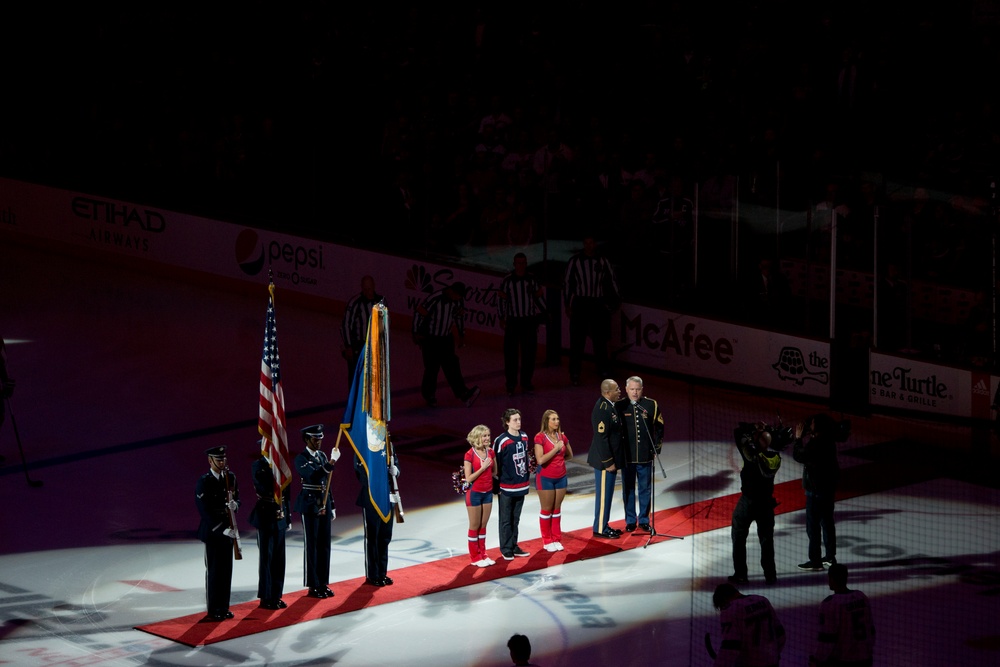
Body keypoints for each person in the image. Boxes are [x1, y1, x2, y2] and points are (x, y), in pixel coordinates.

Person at [563, 235, 621, 386]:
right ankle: (575, 372)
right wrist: (568, 304)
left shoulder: (602, 261)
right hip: (581, 303)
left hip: (597, 303)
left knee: (600, 340)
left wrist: (616, 300)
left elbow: (612, 280)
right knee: (577, 340)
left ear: (594, 244)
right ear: (583, 244)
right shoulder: (575, 261)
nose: (588, 246)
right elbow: (568, 283)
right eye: (586, 243)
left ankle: (603, 370)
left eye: (591, 243)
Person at [412, 282, 481, 408]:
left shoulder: (458, 301)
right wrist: (416, 332)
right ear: (452, 292)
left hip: (446, 338)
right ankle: (429, 395)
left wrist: (461, 334)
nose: (458, 299)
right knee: (432, 367)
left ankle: (462, 393)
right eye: (457, 296)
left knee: (452, 365)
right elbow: (419, 312)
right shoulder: (435, 298)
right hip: (431, 338)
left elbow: (459, 317)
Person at [729, 422, 782, 585]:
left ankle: (741, 574)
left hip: (749, 502)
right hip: (766, 503)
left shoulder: (751, 456)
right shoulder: (775, 458)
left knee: (738, 536)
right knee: (766, 540)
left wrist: (753, 428)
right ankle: (770, 575)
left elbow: (738, 433)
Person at [294, 424, 340, 598]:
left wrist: (332, 504)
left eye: (320, 438)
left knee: (324, 545)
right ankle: (313, 585)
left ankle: (323, 582)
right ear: (307, 439)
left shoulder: (321, 456)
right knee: (312, 545)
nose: (319, 442)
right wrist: (331, 462)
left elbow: (327, 483)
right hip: (310, 503)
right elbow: (313, 476)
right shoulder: (301, 458)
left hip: (324, 502)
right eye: (315, 439)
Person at [195, 445, 240, 621]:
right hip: (214, 533)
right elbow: (204, 511)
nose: (222, 462)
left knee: (226, 572)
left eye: (224, 459)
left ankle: (224, 607)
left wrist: (235, 505)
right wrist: (222, 529)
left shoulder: (230, 477)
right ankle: (214, 610)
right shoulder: (204, 482)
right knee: (215, 573)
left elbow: (237, 499)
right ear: (210, 460)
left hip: (228, 533)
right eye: (218, 459)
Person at [793, 414, 842, 571]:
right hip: (827, 490)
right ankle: (829, 557)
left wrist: (798, 438)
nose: (810, 425)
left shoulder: (815, 444)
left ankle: (815, 561)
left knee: (812, 527)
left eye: (813, 423)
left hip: (816, 491)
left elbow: (799, 455)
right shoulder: (828, 440)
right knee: (827, 523)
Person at [616, 376, 663, 532]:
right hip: (627, 457)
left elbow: (660, 426)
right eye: (632, 389)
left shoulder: (651, 405)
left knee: (645, 489)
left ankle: (643, 520)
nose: (635, 392)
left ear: (642, 390)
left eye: (637, 389)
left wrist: (656, 447)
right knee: (628, 489)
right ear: (626, 389)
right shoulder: (620, 405)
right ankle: (630, 520)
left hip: (645, 455)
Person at [497, 252, 547, 396]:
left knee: (529, 354)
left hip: (529, 321)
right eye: (518, 263)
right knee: (511, 355)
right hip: (513, 321)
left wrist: (546, 312)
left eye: (523, 263)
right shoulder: (507, 281)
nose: (521, 266)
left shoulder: (532, 279)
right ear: (514, 264)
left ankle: (526, 382)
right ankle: (511, 384)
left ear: (526, 264)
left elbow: (539, 297)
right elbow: (501, 300)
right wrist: (502, 317)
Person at [354, 432, 400, 586]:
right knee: (373, 537)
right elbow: (359, 472)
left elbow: (396, 463)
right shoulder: (363, 447)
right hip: (372, 496)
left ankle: (382, 572)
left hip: (387, 496)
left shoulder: (388, 444)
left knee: (385, 536)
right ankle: (372, 574)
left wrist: (395, 471)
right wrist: (377, 481)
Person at [249, 445, 291, 610]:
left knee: (279, 559)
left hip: (280, 516)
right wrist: (275, 472)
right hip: (266, 516)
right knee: (267, 558)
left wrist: (287, 517)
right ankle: (266, 597)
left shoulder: (280, 466)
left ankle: (276, 594)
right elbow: (264, 487)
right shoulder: (258, 466)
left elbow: (287, 492)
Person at [810, 563, 876, 667]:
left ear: (831, 579)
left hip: (843, 660)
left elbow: (827, 639)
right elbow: (871, 630)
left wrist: (817, 660)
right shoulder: (861, 596)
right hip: (866, 659)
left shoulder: (829, 604)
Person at [711, 582, 786, 667]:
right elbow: (780, 634)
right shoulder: (762, 600)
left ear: (724, 600)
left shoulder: (730, 610)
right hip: (772, 661)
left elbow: (731, 646)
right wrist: (774, 653)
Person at [493, 408, 533, 560]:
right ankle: (506, 548)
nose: (518, 422)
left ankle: (514, 545)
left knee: (515, 519)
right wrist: (497, 486)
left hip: (521, 485)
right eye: (515, 420)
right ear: (507, 422)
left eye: (519, 419)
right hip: (506, 487)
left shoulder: (524, 437)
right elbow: (496, 464)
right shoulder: (501, 440)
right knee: (505, 519)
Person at [533, 409, 574, 552]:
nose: (556, 422)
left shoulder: (562, 437)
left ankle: (556, 538)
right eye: (553, 419)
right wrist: (556, 449)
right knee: (547, 509)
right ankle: (547, 540)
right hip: (545, 479)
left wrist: (559, 460)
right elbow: (540, 459)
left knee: (556, 510)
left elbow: (570, 455)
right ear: (546, 421)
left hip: (561, 477)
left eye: (557, 419)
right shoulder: (540, 437)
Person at [589, 379, 623, 539]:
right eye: (617, 389)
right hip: (604, 463)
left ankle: (604, 524)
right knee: (603, 496)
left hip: (610, 461)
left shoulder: (610, 405)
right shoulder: (603, 409)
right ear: (607, 392)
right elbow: (601, 438)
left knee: (608, 494)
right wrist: (609, 462)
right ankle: (600, 528)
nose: (620, 391)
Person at [463, 424, 497, 567]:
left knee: (483, 525)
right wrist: (483, 468)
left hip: (487, 493)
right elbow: (469, 478)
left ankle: (483, 554)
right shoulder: (469, 454)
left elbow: (495, 472)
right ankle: (475, 557)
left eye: (488, 435)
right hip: (474, 494)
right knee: (475, 525)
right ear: (477, 437)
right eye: (484, 435)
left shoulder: (491, 453)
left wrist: (488, 470)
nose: (487, 438)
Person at [340, 275, 383, 386]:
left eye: (369, 288)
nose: (367, 291)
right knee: (356, 378)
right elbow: (345, 325)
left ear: (374, 286)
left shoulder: (381, 302)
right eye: (365, 289)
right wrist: (348, 346)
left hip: (374, 346)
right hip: (358, 346)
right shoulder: (354, 303)